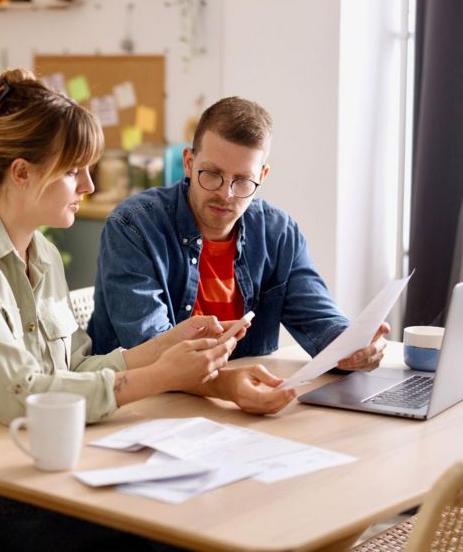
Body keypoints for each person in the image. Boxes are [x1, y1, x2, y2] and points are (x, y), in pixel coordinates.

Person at [0, 69, 246, 551]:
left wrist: (160, 349)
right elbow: (24, 396)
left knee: (175, 502)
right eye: (73, 170)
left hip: (18, 457)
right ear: (22, 172)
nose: (88, 185)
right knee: (147, 524)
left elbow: (71, 370)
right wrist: (161, 376)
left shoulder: (43, 255)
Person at [87, 96, 389, 415]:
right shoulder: (134, 225)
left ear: (263, 175)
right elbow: (151, 351)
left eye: (242, 180)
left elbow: (321, 322)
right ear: (189, 162)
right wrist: (227, 386)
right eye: (212, 174)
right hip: (136, 408)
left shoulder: (279, 233)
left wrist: (354, 346)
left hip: (234, 409)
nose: (225, 193)